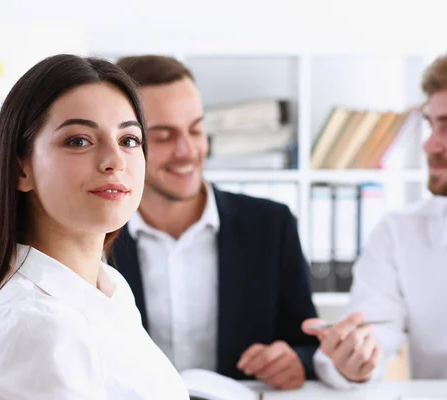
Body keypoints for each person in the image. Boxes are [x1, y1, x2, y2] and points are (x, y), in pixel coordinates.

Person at [302, 42, 447, 397]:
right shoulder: (399, 235)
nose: (429, 145)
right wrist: (353, 362)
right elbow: (367, 341)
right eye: (431, 125)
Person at [0, 54, 189, 399]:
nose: (114, 160)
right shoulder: (36, 325)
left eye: (128, 140)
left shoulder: (109, 287)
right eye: (78, 141)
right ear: (21, 170)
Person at [112, 55, 319, 389]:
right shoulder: (94, 238)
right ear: (125, 143)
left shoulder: (270, 225)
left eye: (196, 129)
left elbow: (310, 344)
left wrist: (296, 360)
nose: (187, 150)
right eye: (163, 136)